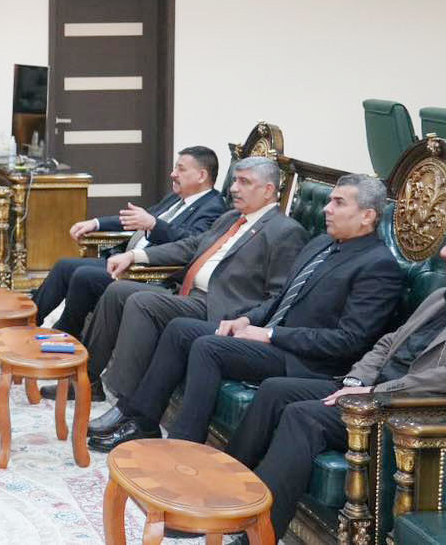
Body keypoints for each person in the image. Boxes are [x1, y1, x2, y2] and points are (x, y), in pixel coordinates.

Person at [226, 201, 446, 543]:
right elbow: (390, 342)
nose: (444, 252)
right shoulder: (443, 296)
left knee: (304, 417)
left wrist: (374, 394)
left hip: (406, 415)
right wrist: (357, 380)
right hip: (370, 393)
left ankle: (255, 538)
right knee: (276, 389)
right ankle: (225, 500)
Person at [89, 174, 402, 451]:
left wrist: (270, 334)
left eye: (338, 203)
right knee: (181, 329)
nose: (326, 209)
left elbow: (348, 341)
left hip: (308, 361)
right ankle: (142, 420)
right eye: (329, 201)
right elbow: (282, 298)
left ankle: (184, 446)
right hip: (275, 340)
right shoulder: (322, 244)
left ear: (367, 215)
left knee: (209, 347)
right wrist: (247, 319)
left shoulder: (378, 266)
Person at [83, 156, 309, 437]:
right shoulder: (231, 218)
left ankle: (126, 405)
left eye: (244, 182)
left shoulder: (285, 231)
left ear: (268, 190)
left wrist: (246, 321)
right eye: (235, 181)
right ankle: (89, 378)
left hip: (222, 309)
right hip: (190, 295)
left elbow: (278, 297)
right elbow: (190, 246)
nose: (234, 188)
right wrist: (135, 255)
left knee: (143, 303)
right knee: (118, 290)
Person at [33, 146, 225, 339]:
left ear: (201, 175)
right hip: (126, 262)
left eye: (181, 169)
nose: (173, 174)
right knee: (64, 266)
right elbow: (135, 220)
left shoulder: (213, 207)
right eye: (175, 168)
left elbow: (193, 245)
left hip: (149, 273)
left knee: (84, 276)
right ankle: (28, 320)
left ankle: (66, 334)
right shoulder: (176, 198)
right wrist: (96, 223)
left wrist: (154, 224)